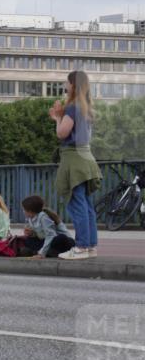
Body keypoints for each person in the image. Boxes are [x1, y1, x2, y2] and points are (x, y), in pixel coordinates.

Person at [50, 70, 102, 260]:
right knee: (87, 206)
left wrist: (57, 117)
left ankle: (80, 247)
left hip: (73, 159)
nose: (65, 85)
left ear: (73, 85)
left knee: (77, 203)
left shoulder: (72, 107)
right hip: (87, 157)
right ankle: (90, 246)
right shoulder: (87, 107)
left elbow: (62, 133)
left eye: (66, 83)